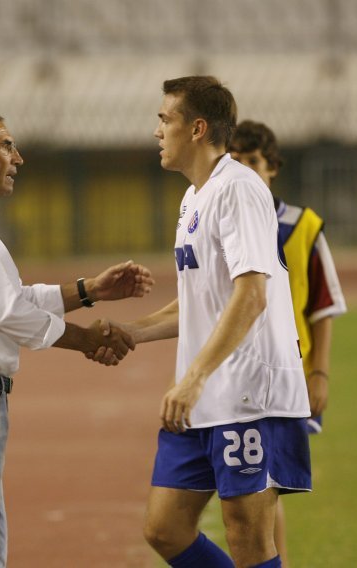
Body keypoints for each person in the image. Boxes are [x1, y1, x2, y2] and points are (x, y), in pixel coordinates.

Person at [0, 109, 154, 567]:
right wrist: (86, 340)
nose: (18, 157)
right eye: (5, 145)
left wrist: (89, 291)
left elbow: (7, 297)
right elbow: (7, 311)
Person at [92, 76, 312, 568]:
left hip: (248, 393)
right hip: (206, 393)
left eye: (164, 119)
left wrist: (192, 377)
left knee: (249, 538)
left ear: (196, 128)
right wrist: (134, 331)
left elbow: (251, 295)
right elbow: (201, 304)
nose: (156, 131)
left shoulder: (239, 189)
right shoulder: (194, 197)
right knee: (165, 528)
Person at [229, 119, 347, 566]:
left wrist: (319, 373)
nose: (244, 169)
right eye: (235, 160)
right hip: (234, 373)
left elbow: (323, 304)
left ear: (272, 167)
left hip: (286, 376)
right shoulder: (223, 218)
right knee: (251, 488)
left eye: (253, 161)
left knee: (265, 487)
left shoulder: (302, 227)